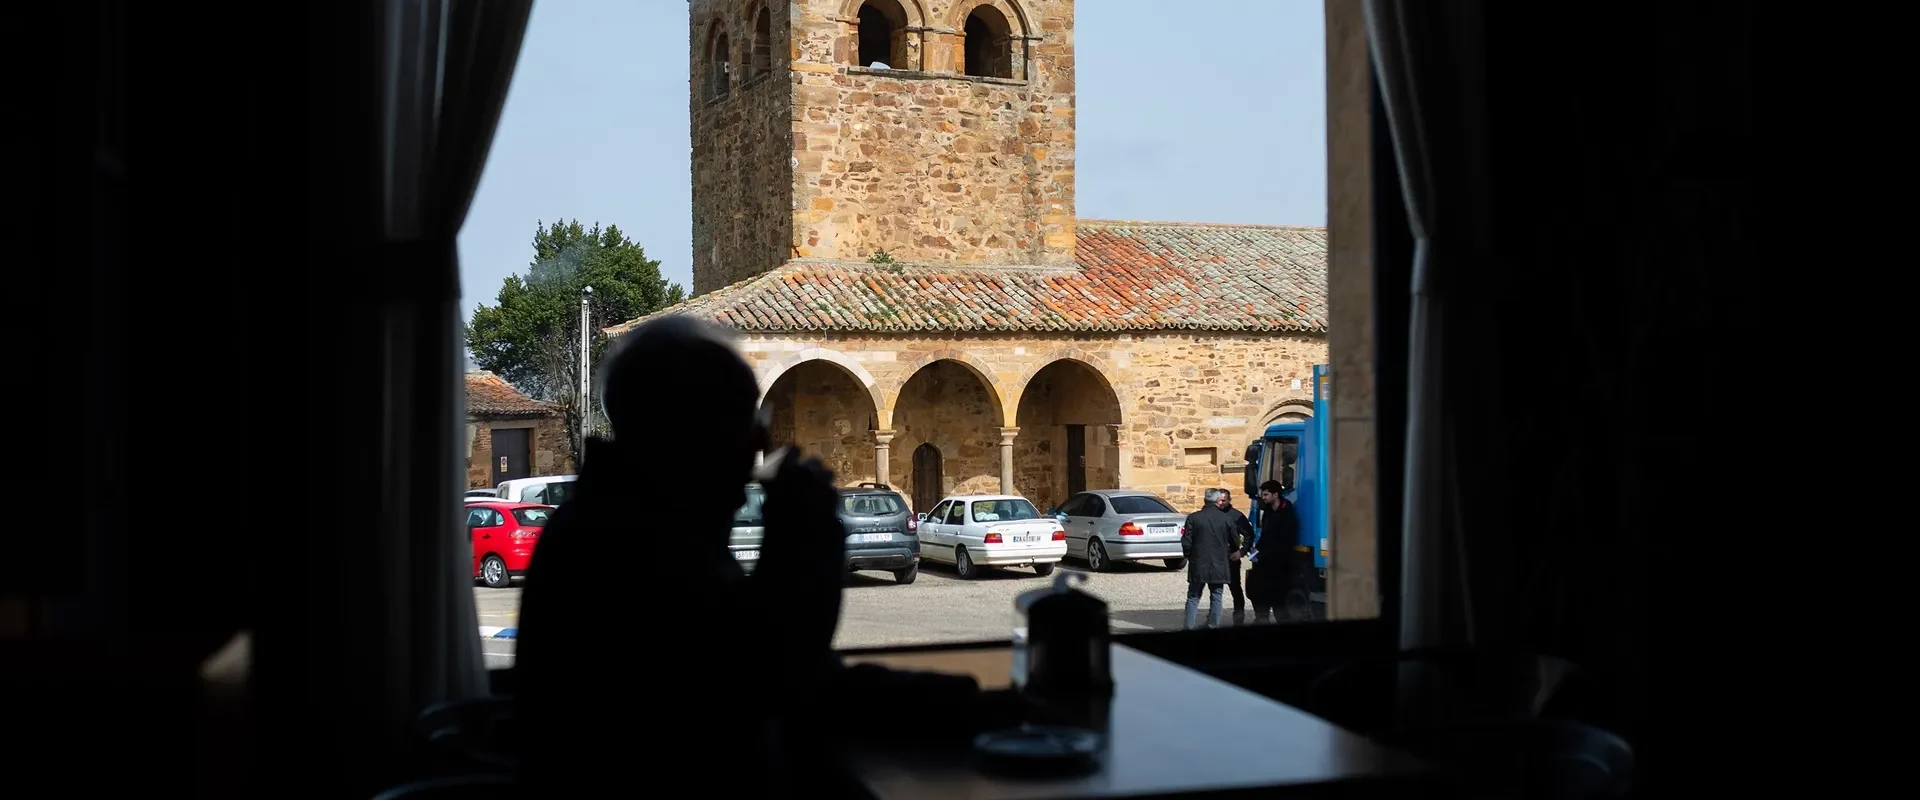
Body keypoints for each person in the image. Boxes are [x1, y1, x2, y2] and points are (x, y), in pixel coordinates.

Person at [512, 316, 1026, 797]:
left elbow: (789, 675)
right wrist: (805, 545)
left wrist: (976, 704)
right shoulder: (619, 547)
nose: (760, 437)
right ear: (680, 428)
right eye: (740, 416)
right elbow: (777, 677)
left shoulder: (647, 520)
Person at [1180, 488, 1241, 629]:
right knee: (1217, 596)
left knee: (1193, 597)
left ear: (1205, 500)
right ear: (1217, 501)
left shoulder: (1193, 518)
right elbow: (1236, 542)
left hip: (1198, 561)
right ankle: (1213, 626)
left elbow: (1186, 541)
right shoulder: (1226, 519)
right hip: (1219, 562)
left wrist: (1189, 555)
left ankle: (1188, 628)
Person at [1246, 479, 1301, 623]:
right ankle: (1262, 618)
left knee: (1279, 597)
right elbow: (1265, 536)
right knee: (1259, 591)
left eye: (1265, 495)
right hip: (1265, 560)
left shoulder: (1287, 514)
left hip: (1280, 562)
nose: (1263, 498)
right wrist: (1254, 553)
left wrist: (1267, 552)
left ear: (1275, 495)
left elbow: (1286, 540)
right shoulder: (1269, 512)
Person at [1216, 488, 1255, 626]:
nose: (1221, 503)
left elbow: (1249, 535)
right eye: (1218, 500)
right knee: (1215, 590)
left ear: (1229, 500)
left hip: (1231, 557)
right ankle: (1213, 619)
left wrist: (1241, 552)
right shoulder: (1211, 515)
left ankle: (1238, 618)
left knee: (1235, 589)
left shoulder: (1236, 516)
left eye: (1223, 500)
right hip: (1214, 559)